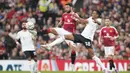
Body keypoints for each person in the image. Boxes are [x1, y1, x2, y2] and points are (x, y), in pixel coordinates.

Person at [42, 10, 108, 73]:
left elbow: (99, 22)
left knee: (93, 55)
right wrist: (77, 17)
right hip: (81, 36)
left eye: (94, 13)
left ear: (97, 15)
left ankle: (104, 69)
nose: (93, 14)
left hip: (87, 39)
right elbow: (83, 21)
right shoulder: (90, 18)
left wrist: (95, 20)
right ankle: (49, 45)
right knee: (66, 36)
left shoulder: (99, 19)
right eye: (92, 13)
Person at [41, 3, 78, 71]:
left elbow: (78, 21)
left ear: (71, 8)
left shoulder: (75, 14)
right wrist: (57, 27)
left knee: (73, 50)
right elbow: (61, 22)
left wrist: (76, 19)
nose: (66, 8)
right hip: (63, 31)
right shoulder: (64, 15)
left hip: (70, 35)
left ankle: (72, 64)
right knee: (51, 30)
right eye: (65, 7)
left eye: (67, 7)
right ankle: (40, 33)